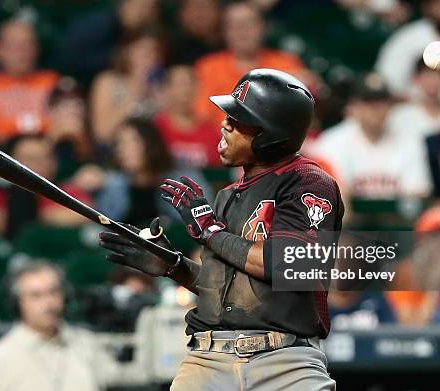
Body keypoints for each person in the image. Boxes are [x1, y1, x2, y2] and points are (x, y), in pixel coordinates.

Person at [99, 69, 343, 390]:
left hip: (284, 361)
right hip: (208, 359)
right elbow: (226, 289)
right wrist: (174, 266)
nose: (225, 124)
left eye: (239, 119)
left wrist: (211, 232)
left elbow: (287, 263)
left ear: (272, 134)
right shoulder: (227, 196)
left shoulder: (309, 183)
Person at [0, 261, 132, 391]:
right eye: (36, 295)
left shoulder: (87, 343)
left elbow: (128, 378)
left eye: (54, 292)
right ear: (18, 303)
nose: (48, 303)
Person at [307, 72, 432, 199]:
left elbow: (418, 193)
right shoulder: (331, 142)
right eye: (369, 102)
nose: (378, 109)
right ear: (354, 106)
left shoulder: (409, 141)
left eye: (382, 102)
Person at [194, 1, 308, 125]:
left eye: (248, 24)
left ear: (264, 27)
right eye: (233, 25)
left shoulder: (287, 64)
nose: (241, 31)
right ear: (223, 31)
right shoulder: (207, 67)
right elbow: (200, 119)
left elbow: (302, 115)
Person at [94, 117, 211, 228]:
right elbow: (101, 228)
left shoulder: (181, 179)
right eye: (121, 143)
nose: (126, 149)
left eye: (134, 141)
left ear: (150, 143)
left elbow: (206, 223)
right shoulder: (113, 184)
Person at [0, 20, 59, 145]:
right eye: (14, 46)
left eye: (28, 44)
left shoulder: (53, 82)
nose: (22, 52)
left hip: (47, 155)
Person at [0, 135, 92, 238]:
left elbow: (86, 215)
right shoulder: (0, 191)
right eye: (30, 158)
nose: (39, 164)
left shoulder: (68, 190)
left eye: (45, 157)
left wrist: (40, 214)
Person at [89, 31, 164, 144]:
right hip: (116, 150)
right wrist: (134, 95)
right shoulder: (108, 81)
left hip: (152, 152)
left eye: (154, 51)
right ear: (127, 52)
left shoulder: (161, 86)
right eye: (142, 50)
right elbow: (102, 133)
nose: (150, 57)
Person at [58, 0, 160, 81]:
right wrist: (114, 57)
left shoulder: (134, 32)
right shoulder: (100, 25)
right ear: (125, 4)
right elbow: (70, 58)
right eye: (141, 7)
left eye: (150, 9)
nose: (144, 14)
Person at [154, 65, 222, 168]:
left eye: (190, 83)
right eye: (180, 84)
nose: (186, 90)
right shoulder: (156, 128)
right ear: (167, 89)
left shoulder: (211, 130)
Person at [388, 58, 440, 139]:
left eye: (439, 74)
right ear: (416, 79)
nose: (434, 81)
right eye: (428, 74)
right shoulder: (400, 115)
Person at [168, 0, 222, 65]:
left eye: (206, 8)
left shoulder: (229, 44)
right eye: (196, 8)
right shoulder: (169, 48)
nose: (201, 15)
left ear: (218, 12)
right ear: (181, 15)